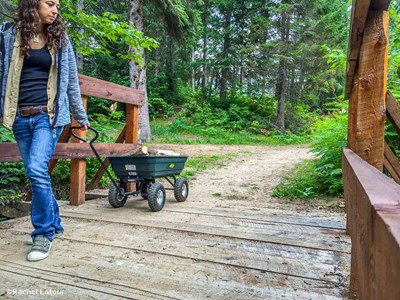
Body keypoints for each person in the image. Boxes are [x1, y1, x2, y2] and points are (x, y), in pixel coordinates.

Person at [0, 0, 89, 261]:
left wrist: (80, 116)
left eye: (57, 5)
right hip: (18, 117)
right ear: (32, 4)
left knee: (37, 169)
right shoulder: (7, 36)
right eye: (49, 3)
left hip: (48, 117)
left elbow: (71, 81)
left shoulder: (60, 40)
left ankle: (43, 232)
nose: (55, 9)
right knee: (36, 172)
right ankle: (56, 224)